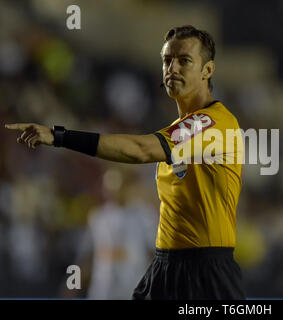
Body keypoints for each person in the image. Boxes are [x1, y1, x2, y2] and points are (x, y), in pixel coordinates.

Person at [5, 25, 245, 300]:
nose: (172, 68)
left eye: (184, 61)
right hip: (167, 266)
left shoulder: (212, 123)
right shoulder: (181, 129)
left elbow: (140, 150)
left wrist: (60, 136)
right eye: (167, 60)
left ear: (208, 70)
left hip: (204, 273)